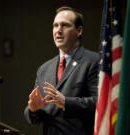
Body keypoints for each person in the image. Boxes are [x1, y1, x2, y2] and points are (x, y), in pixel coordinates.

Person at [24, 6, 100, 135]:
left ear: (79, 30)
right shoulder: (44, 69)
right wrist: (32, 109)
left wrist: (66, 102)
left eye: (64, 25)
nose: (58, 30)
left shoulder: (93, 61)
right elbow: (33, 116)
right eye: (55, 25)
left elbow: (100, 103)